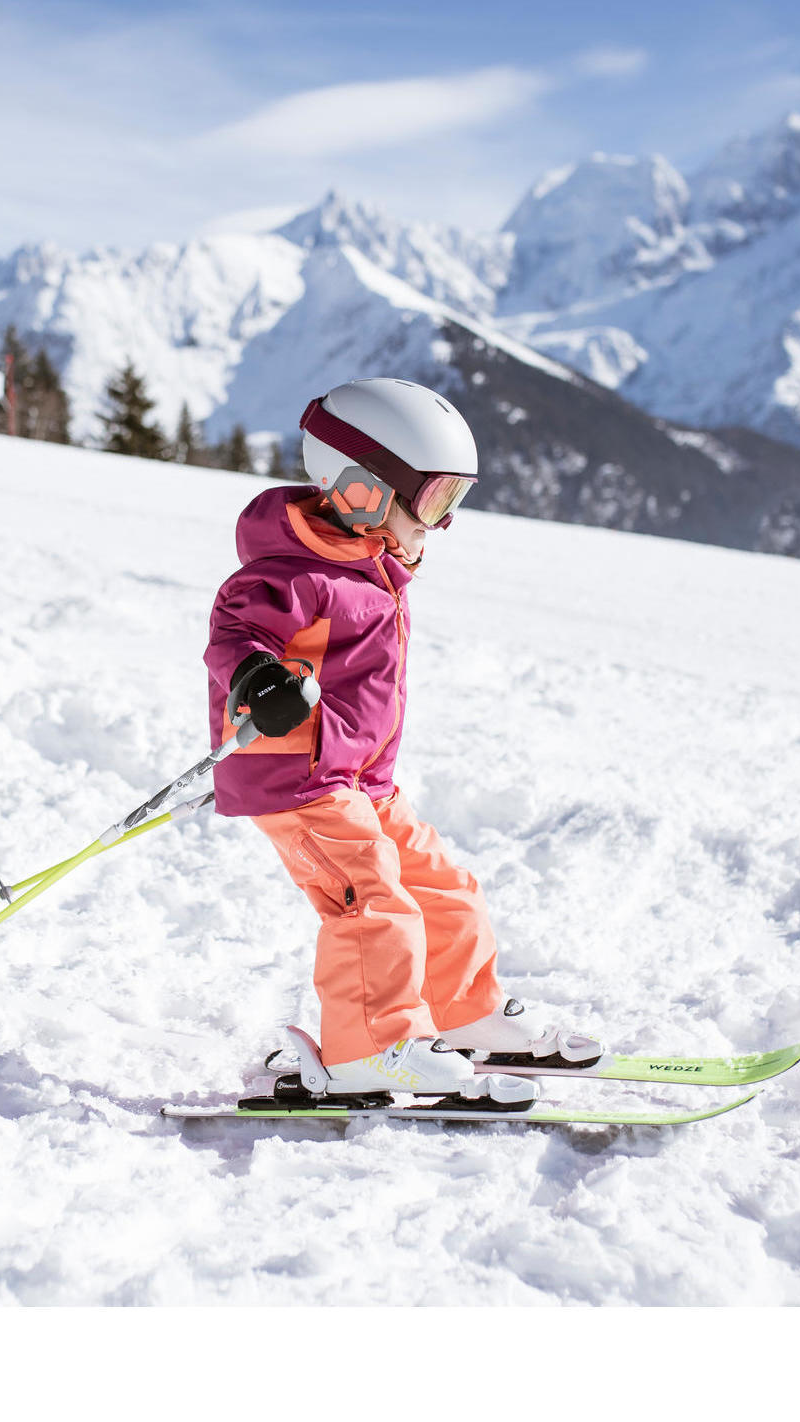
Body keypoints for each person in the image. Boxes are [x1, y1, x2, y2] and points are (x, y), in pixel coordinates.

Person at [204, 377, 601, 1094]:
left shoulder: (368, 565)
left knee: (445, 892)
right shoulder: (292, 574)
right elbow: (238, 632)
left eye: (453, 499)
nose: (443, 522)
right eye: (433, 499)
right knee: (371, 902)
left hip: (360, 781)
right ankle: (369, 1050)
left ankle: (461, 1015)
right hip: (299, 778)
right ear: (361, 492)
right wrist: (257, 676)